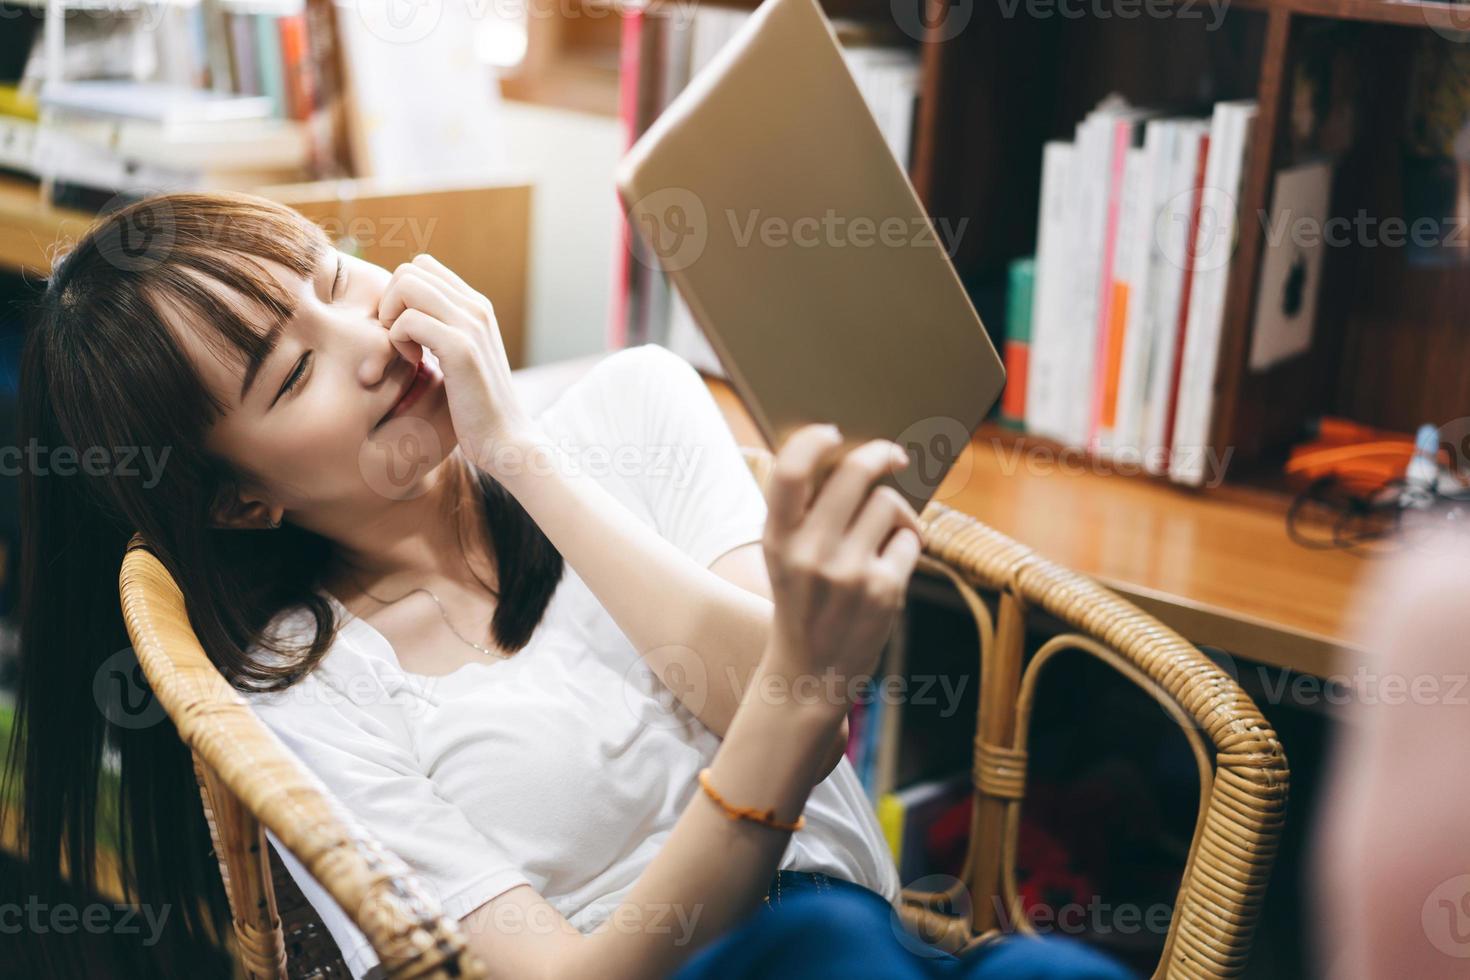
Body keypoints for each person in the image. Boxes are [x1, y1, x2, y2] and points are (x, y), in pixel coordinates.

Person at [2, 191, 1130, 979]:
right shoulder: (305, 689)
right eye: (294, 371)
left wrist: (523, 460)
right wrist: (799, 702)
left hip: (868, 938)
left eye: (338, 277)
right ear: (240, 501)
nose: (368, 341)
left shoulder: (636, 404)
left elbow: (766, 686)